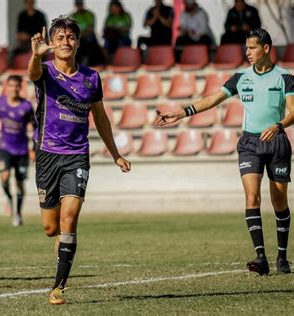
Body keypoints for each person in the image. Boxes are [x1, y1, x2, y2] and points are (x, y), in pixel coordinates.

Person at [156, 28, 294, 275]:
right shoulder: (240, 77)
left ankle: (282, 257)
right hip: (250, 144)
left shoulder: (285, 78)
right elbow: (212, 99)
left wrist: (278, 125)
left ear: (266, 49)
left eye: (252, 48)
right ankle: (261, 257)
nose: (247, 52)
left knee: (279, 200)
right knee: (252, 197)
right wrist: (182, 112)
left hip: (277, 142)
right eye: (246, 47)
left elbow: (293, 111)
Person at [28, 17, 131, 304]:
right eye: (59, 37)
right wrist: (35, 56)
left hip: (77, 156)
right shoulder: (45, 71)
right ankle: (61, 246)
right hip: (48, 155)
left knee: (69, 219)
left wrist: (116, 154)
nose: (64, 41)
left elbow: (100, 117)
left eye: (70, 37)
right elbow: (33, 73)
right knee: (51, 228)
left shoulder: (91, 77)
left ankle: (58, 286)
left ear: (78, 42)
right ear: (52, 42)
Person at [0, 75, 36, 227]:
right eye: (11, 85)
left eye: (17, 86)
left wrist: (33, 148)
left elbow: (35, 127)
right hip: (4, 147)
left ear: (20, 87)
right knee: (4, 177)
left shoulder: (26, 106)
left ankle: (18, 213)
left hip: (22, 150)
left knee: (19, 184)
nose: (14, 89)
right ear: (7, 86)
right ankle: (10, 201)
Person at [70, 0, 105, 66]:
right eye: (77, 5)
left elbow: (90, 28)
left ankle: (96, 63)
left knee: (90, 43)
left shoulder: (89, 14)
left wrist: (82, 34)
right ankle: (76, 64)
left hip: (88, 36)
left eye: (80, 4)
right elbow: (71, 29)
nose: (79, 6)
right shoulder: (72, 15)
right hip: (78, 37)